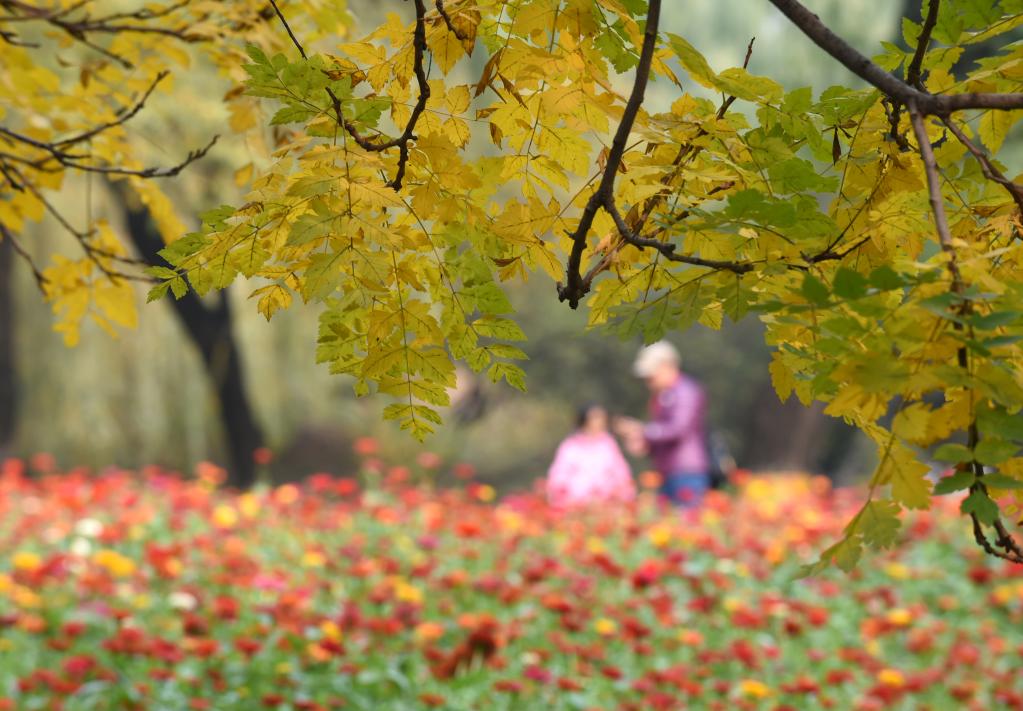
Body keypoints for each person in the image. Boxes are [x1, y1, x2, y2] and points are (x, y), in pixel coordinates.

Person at [615, 341, 710, 508]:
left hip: (685, 473)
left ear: (666, 366)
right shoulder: (663, 396)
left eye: (651, 377)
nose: (648, 382)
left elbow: (678, 429)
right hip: (668, 472)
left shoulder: (685, 391)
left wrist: (641, 431)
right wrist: (645, 444)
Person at [546, 404, 635, 509]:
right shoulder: (571, 446)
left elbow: (620, 470)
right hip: (576, 503)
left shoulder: (608, 444)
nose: (599, 422)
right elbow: (560, 473)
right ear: (584, 421)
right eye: (595, 418)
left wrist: (625, 492)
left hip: (606, 502)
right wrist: (560, 495)